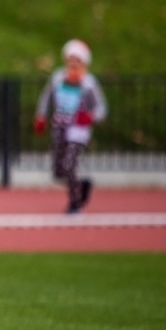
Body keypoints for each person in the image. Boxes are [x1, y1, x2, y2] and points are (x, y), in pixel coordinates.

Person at [35, 39, 106, 214]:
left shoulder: (89, 84)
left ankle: (75, 203)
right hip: (59, 127)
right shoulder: (58, 78)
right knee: (58, 171)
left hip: (78, 131)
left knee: (69, 166)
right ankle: (81, 185)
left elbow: (101, 109)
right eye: (71, 60)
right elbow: (46, 97)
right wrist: (41, 116)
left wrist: (90, 117)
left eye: (77, 61)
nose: (73, 64)